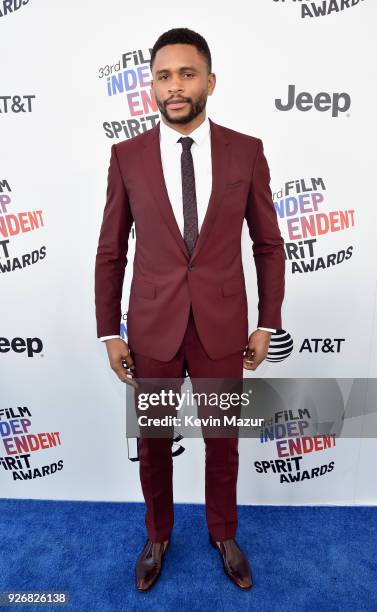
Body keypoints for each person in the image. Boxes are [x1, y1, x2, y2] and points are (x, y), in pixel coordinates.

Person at [95, 27, 285, 592]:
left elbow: (268, 244)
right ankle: (157, 534)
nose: (174, 86)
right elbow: (112, 250)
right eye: (162, 75)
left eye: (186, 73)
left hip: (223, 327)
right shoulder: (126, 156)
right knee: (153, 441)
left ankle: (223, 531)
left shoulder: (245, 151)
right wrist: (109, 331)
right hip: (150, 328)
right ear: (150, 86)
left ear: (210, 81)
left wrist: (266, 322)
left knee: (223, 440)